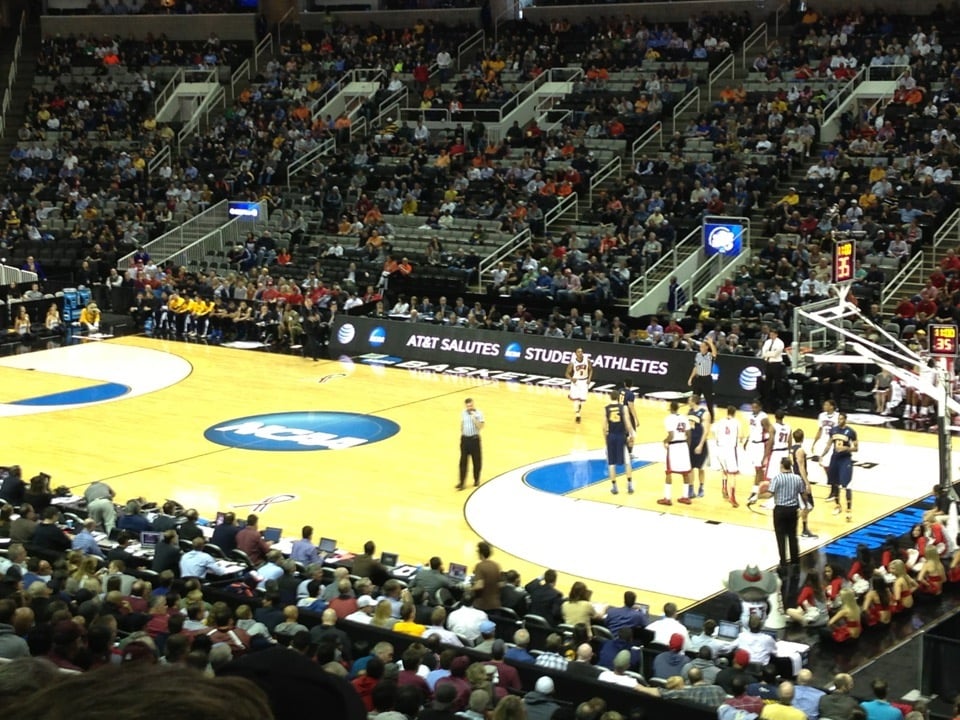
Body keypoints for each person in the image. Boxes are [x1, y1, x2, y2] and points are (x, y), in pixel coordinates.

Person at [767, 457, 806, 573]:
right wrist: (805, 506)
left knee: (780, 537)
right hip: (793, 510)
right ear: (791, 466)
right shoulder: (797, 478)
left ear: (781, 465)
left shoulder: (777, 478)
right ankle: (795, 561)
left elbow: (770, 493)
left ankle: (783, 562)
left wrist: (758, 495)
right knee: (792, 536)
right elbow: (803, 493)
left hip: (780, 510)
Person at [659, 400, 693, 505]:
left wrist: (664, 441)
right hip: (683, 445)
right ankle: (685, 496)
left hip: (674, 446)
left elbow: (671, 436)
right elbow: (689, 434)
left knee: (669, 471)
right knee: (685, 472)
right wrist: (688, 446)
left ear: (670, 408)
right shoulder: (684, 417)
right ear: (678, 408)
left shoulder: (668, 419)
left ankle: (667, 498)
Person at [827, 413, 858, 521]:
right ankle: (837, 505)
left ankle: (849, 509)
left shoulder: (851, 432)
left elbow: (856, 448)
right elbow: (829, 444)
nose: (839, 420)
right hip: (835, 459)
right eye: (838, 419)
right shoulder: (833, 430)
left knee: (846, 485)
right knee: (834, 483)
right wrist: (822, 455)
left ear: (845, 419)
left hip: (845, 459)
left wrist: (846, 448)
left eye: (841, 419)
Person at [603, 389, 635, 495]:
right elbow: (627, 423)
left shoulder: (606, 409)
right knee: (627, 461)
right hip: (621, 436)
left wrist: (605, 440)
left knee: (611, 463)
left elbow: (604, 427)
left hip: (611, 436)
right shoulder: (623, 408)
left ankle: (614, 487)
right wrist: (631, 435)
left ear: (610, 397)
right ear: (618, 398)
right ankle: (629, 485)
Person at [790, 428, 817, 538]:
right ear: (803, 437)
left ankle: (803, 528)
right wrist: (807, 483)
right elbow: (801, 468)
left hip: (795, 479)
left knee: (805, 505)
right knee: (808, 506)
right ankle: (796, 526)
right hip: (800, 480)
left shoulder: (791, 449)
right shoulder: (800, 450)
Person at [745, 400, 772, 506]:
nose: (753, 409)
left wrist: (769, 445)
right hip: (753, 444)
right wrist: (747, 440)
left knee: (759, 469)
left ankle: (755, 491)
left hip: (761, 444)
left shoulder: (763, 417)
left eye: (756, 407)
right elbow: (752, 430)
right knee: (757, 469)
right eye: (752, 407)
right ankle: (759, 489)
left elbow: (770, 431)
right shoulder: (751, 416)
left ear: (760, 407)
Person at [714, 406, 742, 506]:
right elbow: (740, 436)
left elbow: (716, 436)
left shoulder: (720, 421)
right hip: (730, 449)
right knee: (732, 474)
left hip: (720, 448)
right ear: (734, 413)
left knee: (724, 470)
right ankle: (732, 498)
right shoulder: (737, 422)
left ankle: (724, 487)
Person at [687, 393, 711, 497]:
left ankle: (701, 487)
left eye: (689, 400)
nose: (688, 402)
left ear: (693, 401)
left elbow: (706, 431)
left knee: (701, 468)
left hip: (700, 443)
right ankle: (691, 489)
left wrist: (701, 445)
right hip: (691, 443)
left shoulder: (705, 413)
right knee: (690, 467)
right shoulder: (690, 412)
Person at [457, 398, 484, 490]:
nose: (469, 407)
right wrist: (462, 433)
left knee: (476, 461)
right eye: (468, 406)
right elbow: (462, 423)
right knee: (463, 462)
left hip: (474, 440)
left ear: (473, 404)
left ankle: (476, 480)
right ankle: (461, 483)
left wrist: (474, 419)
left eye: (471, 405)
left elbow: (480, 427)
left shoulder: (479, 413)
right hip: (465, 440)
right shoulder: (463, 412)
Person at [688, 337, 717, 420]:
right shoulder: (698, 355)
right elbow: (696, 367)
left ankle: (711, 417)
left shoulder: (709, 355)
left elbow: (715, 354)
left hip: (706, 379)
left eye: (702, 346)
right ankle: (693, 413)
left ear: (706, 347)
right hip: (698, 379)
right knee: (695, 397)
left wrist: (711, 343)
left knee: (709, 399)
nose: (701, 348)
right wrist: (690, 378)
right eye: (700, 346)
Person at [811, 399, 839, 484]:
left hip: (832, 442)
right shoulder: (821, 415)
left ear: (832, 407)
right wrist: (814, 443)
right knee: (823, 463)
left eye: (826, 405)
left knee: (830, 463)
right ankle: (831, 479)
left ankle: (833, 480)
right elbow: (819, 430)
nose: (824, 406)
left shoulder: (838, 416)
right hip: (823, 441)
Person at [759, 328, 785, 411]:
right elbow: (763, 352)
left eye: (773, 334)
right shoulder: (767, 342)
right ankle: (767, 399)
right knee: (767, 382)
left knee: (778, 383)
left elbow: (775, 354)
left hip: (776, 364)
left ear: (776, 334)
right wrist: (767, 354)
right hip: (768, 364)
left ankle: (782, 400)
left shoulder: (780, 343)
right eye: (770, 334)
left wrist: (768, 354)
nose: (771, 336)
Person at [565, 347, 593, 423]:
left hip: (584, 381)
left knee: (582, 400)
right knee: (576, 400)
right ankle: (577, 415)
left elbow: (591, 370)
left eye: (581, 352)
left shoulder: (587, 361)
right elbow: (566, 374)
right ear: (576, 354)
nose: (580, 353)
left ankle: (578, 409)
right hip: (576, 382)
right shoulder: (572, 362)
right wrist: (571, 379)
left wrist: (589, 378)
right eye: (578, 352)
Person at [472, 541, 501, 611]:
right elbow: (500, 584)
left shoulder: (480, 565)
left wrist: (469, 589)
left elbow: (479, 585)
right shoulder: (496, 565)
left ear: (480, 553)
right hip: (495, 605)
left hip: (482, 605)